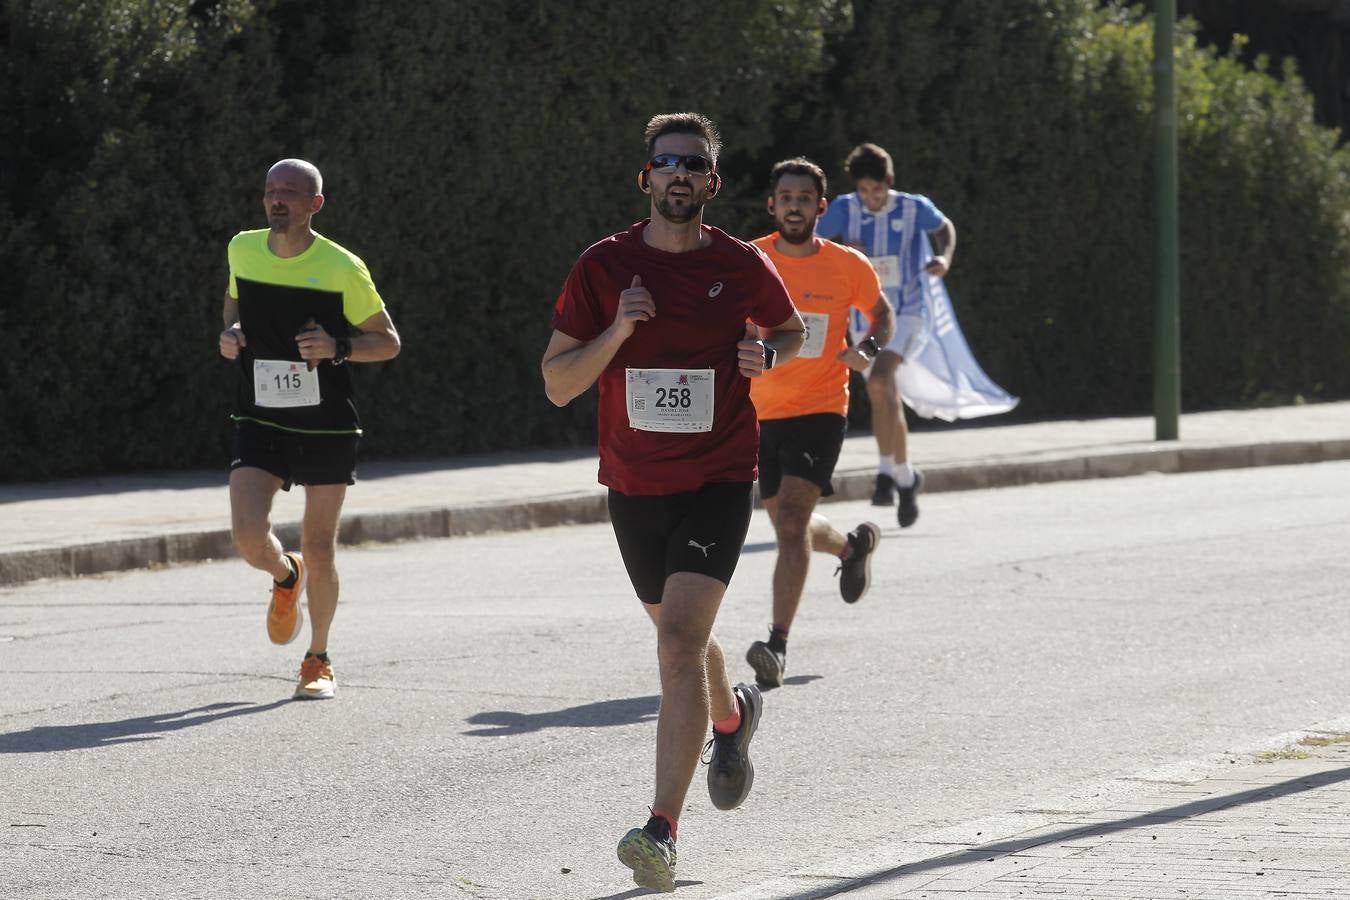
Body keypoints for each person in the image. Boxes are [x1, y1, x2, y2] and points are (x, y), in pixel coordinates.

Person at [541, 113, 804, 893]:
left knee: (678, 645)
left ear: (712, 185)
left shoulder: (738, 263)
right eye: (667, 164)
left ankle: (661, 829)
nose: (680, 176)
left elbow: (789, 332)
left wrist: (768, 352)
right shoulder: (604, 268)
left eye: (694, 165)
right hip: (634, 484)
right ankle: (733, 720)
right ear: (645, 178)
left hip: (719, 475)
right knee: (680, 637)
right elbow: (558, 384)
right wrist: (618, 330)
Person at [218, 158, 401, 701]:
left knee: (321, 547)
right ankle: (283, 574)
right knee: (249, 535)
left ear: (314, 204)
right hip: (261, 413)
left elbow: (388, 340)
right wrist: (230, 331)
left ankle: (317, 657)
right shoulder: (242, 248)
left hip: (325, 423)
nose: (278, 200)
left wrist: (338, 347)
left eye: (292, 193)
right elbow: (234, 302)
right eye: (272, 190)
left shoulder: (343, 266)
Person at [745, 157, 896, 689]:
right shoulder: (752, 261)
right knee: (791, 526)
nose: (794, 205)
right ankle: (852, 547)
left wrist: (868, 348)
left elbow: (882, 315)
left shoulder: (846, 266)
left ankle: (776, 645)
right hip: (761, 413)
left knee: (789, 522)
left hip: (822, 408)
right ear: (772, 205)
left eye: (804, 198)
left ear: (820, 208)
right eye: (785, 196)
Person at [815, 142, 957, 528]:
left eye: (877, 190)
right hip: (864, 318)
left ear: (889, 182)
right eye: (864, 191)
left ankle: (883, 475)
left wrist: (943, 259)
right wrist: (842, 247)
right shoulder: (843, 209)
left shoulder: (914, 207)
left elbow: (945, 230)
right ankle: (907, 477)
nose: (871, 198)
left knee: (881, 379)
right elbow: (813, 244)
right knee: (884, 393)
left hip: (909, 311)